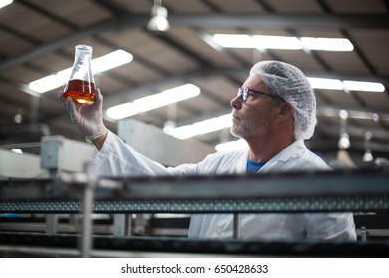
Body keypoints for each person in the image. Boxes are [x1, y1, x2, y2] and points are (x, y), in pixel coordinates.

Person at [61, 60, 356, 241]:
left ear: (283, 110)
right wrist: (98, 131)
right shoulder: (220, 164)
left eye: (248, 94)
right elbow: (158, 183)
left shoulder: (317, 181)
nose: (234, 101)